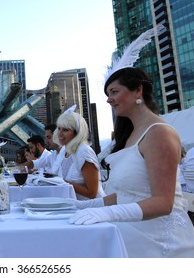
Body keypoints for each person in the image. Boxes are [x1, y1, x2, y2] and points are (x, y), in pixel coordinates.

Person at [69, 67, 194, 257]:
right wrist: (83, 206)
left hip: (157, 243)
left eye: (114, 92)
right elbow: (126, 194)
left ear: (138, 91)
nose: (108, 99)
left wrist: (109, 213)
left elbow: (163, 203)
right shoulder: (130, 135)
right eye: (108, 94)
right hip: (129, 232)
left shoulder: (159, 133)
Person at [55, 106, 104, 199]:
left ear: (77, 133)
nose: (60, 133)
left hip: (91, 209)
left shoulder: (84, 152)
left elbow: (92, 193)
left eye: (65, 129)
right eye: (59, 128)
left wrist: (61, 182)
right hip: (72, 206)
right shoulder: (64, 151)